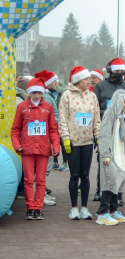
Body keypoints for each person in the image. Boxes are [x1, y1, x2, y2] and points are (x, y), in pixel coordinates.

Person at [94, 57, 125, 217]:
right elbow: (95, 108)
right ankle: (104, 203)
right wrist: (110, 112)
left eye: (122, 71)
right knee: (108, 168)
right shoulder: (101, 86)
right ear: (110, 71)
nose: (119, 74)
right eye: (116, 71)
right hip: (107, 129)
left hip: (123, 131)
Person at [11, 77, 60, 220]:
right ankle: (29, 208)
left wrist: (55, 147)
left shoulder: (48, 107)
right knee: (28, 179)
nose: (37, 96)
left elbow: (53, 130)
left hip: (43, 149)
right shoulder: (22, 107)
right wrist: (17, 145)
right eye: (34, 93)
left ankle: (38, 208)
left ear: (42, 93)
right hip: (26, 149)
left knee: (40, 180)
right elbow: (15, 130)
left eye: (39, 93)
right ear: (29, 92)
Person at [58, 66, 101, 220]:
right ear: (77, 81)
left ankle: (84, 207)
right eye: (85, 79)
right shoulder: (67, 96)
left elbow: (96, 119)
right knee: (74, 175)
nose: (89, 81)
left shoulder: (92, 96)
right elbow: (62, 119)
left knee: (85, 175)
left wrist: (98, 136)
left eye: (89, 79)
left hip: (87, 141)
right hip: (73, 141)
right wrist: (65, 138)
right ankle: (74, 208)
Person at [96, 90, 125, 225]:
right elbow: (104, 135)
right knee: (110, 181)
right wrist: (106, 155)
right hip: (110, 154)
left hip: (119, 152)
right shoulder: (109, 115)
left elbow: (123, 135)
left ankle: (113, 210)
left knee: (118, 181)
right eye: (124, 102)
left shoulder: (120, 117)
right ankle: (102, 213)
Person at [34, 70, 60, 206]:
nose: (57, 83)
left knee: (42, 169)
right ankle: (40, 195)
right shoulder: (47, 98)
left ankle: (40, 194)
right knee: (44, 169)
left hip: (44, 137)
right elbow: (52, 117)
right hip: (46, 138)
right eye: (55, 81)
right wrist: (57, 121)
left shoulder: (48, 97)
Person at [15, 76, 33, 199]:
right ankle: (21, 189)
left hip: (15, 135)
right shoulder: (22, 101)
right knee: (23, 164)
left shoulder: (12, 97)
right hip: (23, 135)